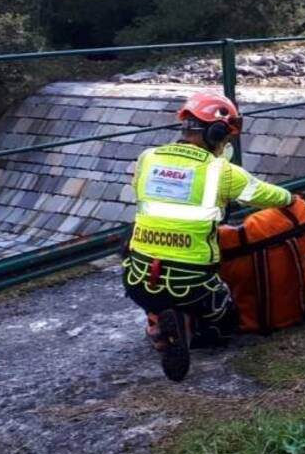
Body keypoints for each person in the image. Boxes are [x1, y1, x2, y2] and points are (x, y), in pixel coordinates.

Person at [122, 91, 293, 381]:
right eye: (226, 139)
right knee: (224, 323)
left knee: (142, 258)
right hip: (190, 281)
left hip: (137, 279)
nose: (227, 144)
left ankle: (156, 322)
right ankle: (192, 330)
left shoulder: (147, 158)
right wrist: (291, 198)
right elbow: (277, 197)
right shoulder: (222, 172)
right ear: (215, 134)